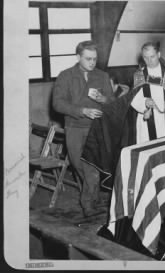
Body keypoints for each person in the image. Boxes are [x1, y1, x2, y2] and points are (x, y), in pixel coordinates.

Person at [81, 42, 165, 189]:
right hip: (145, 122)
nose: (149, 61)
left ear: (159, 55)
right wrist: (144, 102)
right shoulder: (139, 75)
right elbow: (132, 99)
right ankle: (149, 186)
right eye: (146, 57)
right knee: (147, 155)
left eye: (152, 57)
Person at [52, 40, 115, 216]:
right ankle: (93, 193)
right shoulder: (65, 76)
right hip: (74, 127)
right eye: (88, 59)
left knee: (92, 168)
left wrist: (103, 99)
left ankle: (88, 204)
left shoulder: (102, 76)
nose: (92, 63)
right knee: (77, 164)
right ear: (78, 57)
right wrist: (82, 111)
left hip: (96, 128)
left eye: (95, 59)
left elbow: (112, 102)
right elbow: (57, 103)